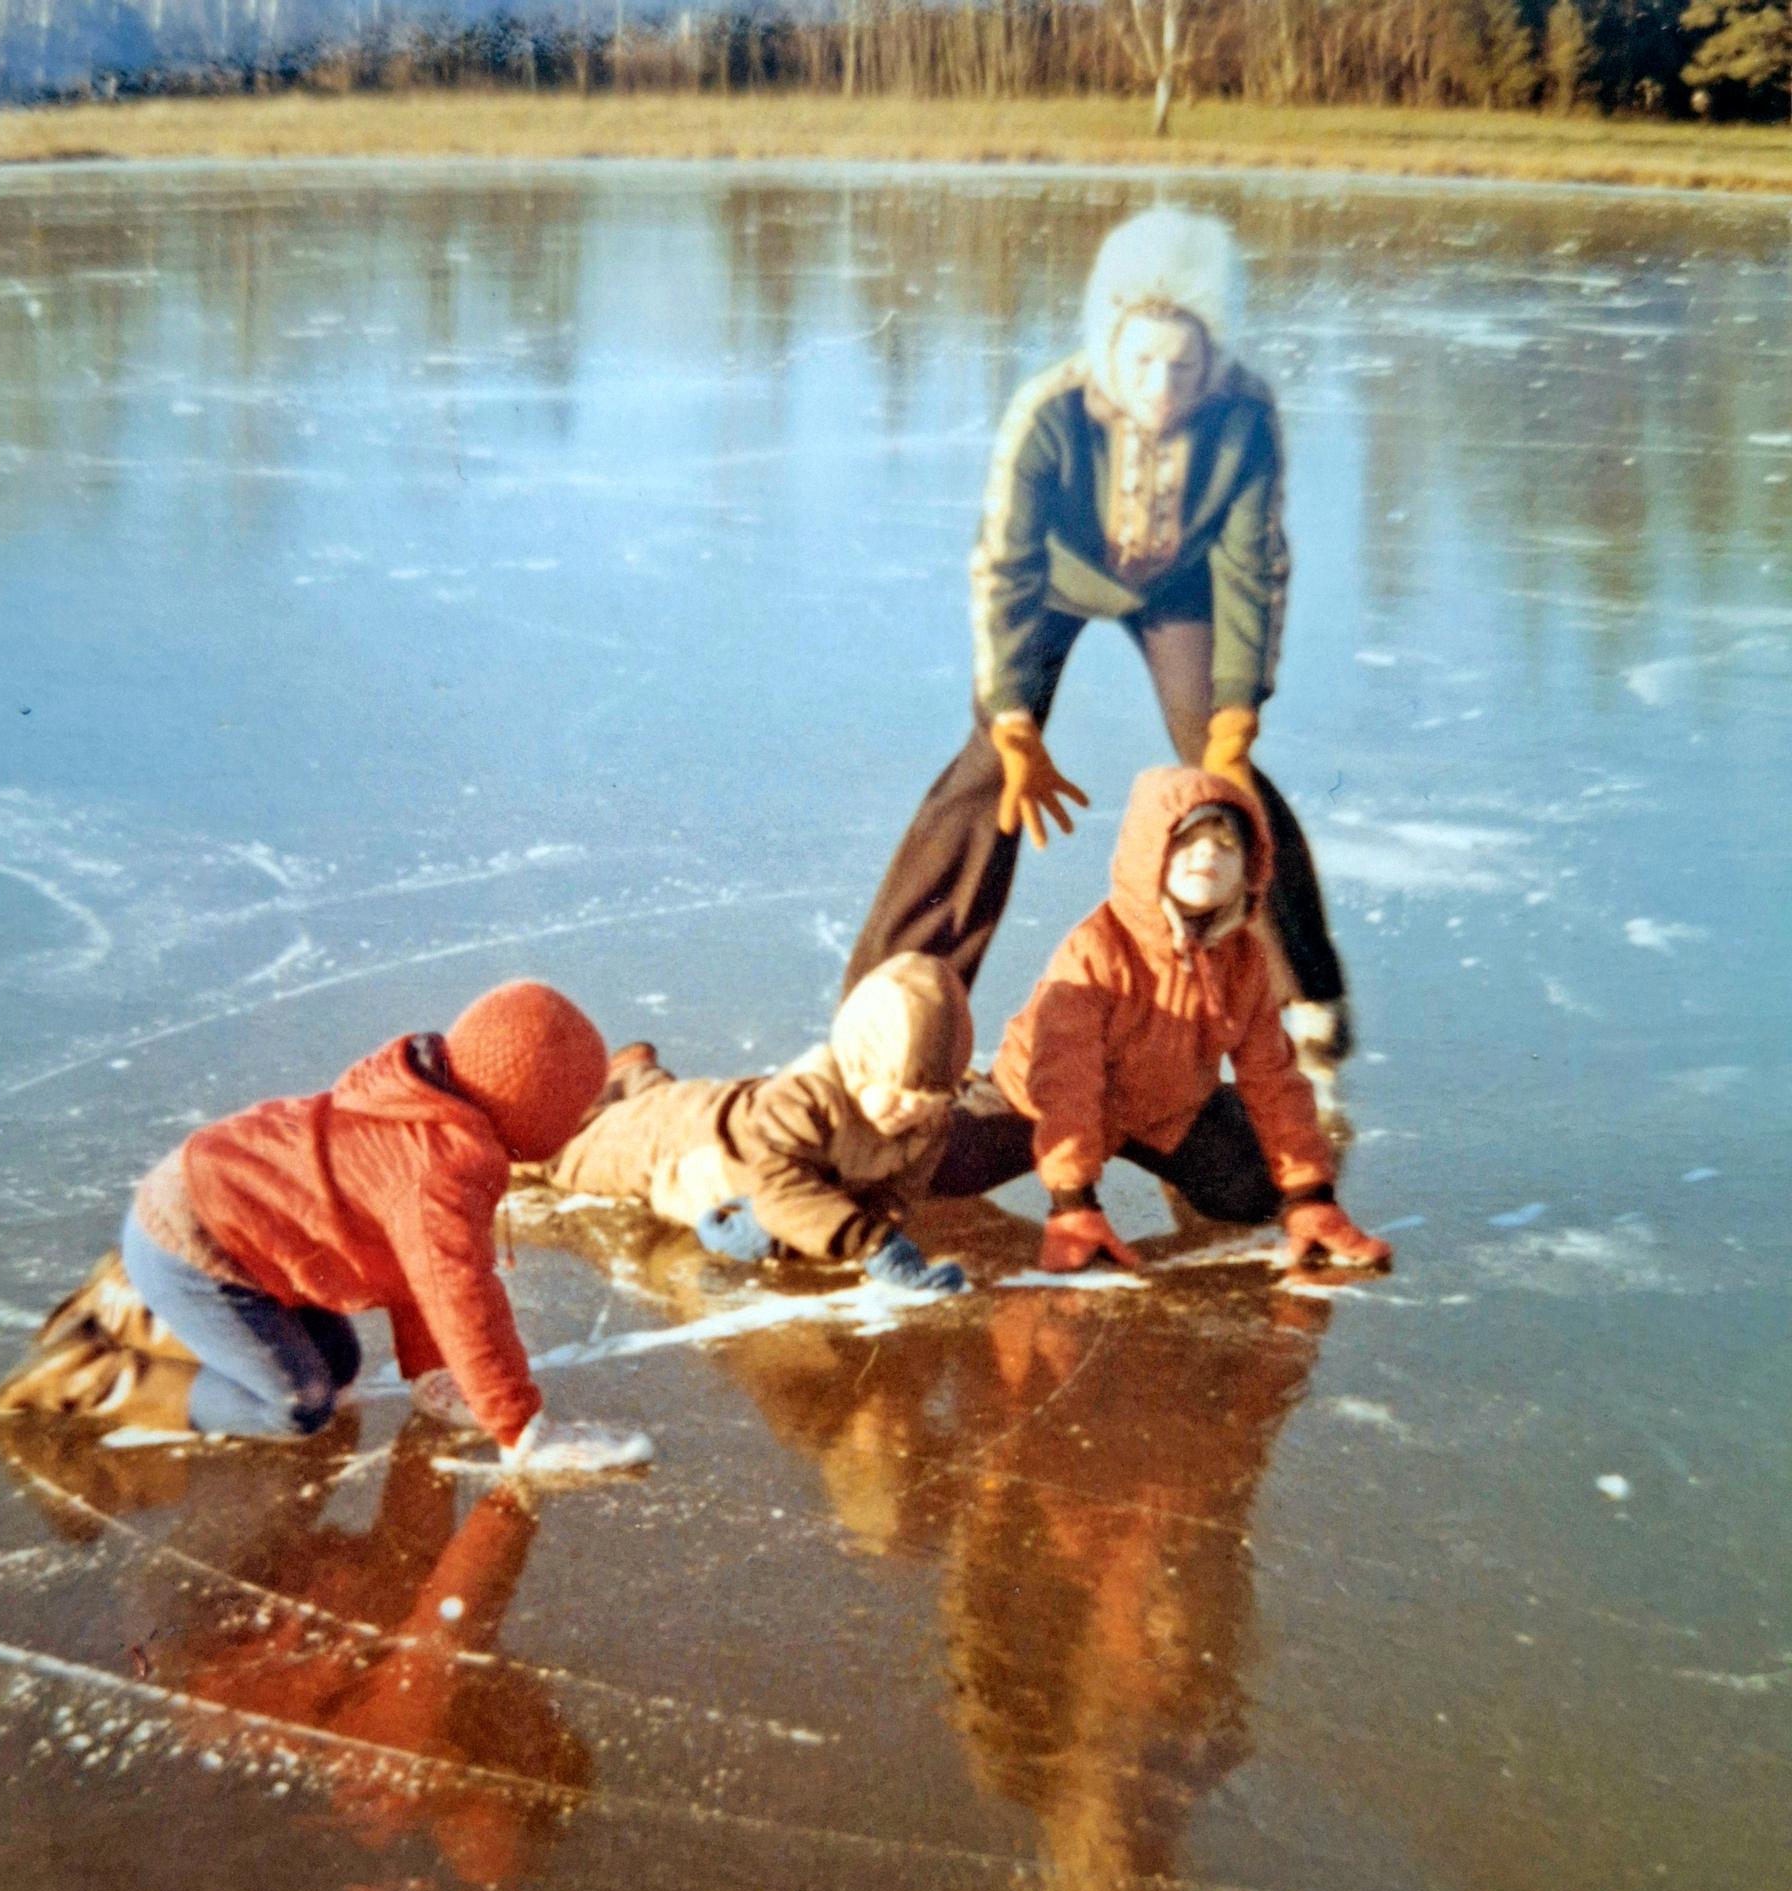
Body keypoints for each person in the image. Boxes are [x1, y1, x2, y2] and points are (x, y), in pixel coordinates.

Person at [843, 205, 1351, 1080]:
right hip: (1057, 579)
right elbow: (1002, 565)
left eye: (1183, 365)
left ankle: (1303, 999)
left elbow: (1251, 570)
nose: (1161, 384)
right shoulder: (1048, 413)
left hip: (1185, 584)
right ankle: (890, 994)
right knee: (992, 775)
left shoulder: (1244, 416)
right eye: (1143, 361)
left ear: (1212, 358)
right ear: (1109, 348)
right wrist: (1010, 716)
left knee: (1221, 774)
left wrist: (1235, 718)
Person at [0, 979, 655, 1477]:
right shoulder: (439, 1170)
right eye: (569, 1108)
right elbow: (462, 1295)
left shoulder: (435, 1116)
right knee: (299, 1407)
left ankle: (153, 1303)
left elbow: (415, 1272)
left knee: (339, 1368)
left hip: (240, 1229)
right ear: (530, 1107)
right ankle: (91, 1369)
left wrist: (432, 1377)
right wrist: (524, 1430)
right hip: (196, 1242)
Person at [930, 767, 1390, 1275]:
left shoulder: (1246, 959)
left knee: (1254, 1193)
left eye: (1226, 847)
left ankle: (1221, 1144)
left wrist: (1310, 1195)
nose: (1208, 857)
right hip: (1039, 1102)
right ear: (1151, 856)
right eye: (1187, 842)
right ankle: (958, 1101)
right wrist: (1072, 1203)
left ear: (1251, 866)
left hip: (1164, 1108)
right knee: (935, 1169)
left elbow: (1272, 1074)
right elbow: (1067, 1080)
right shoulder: (1095, 949)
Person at [547, 952, 973, 1296]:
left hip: (734, 1119)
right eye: (895, 1091)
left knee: (655, 1103)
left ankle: (633, 1076)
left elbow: (895, 1195)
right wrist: (870, 1242)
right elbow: (779, 1192)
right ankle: (594, 1091)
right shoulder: (806, 1100)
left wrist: (874, 1226)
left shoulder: (929, 1126)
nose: (909, 1110)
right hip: (681, 1146)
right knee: (559, 1153)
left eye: (927, 1101)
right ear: (856, 1064)